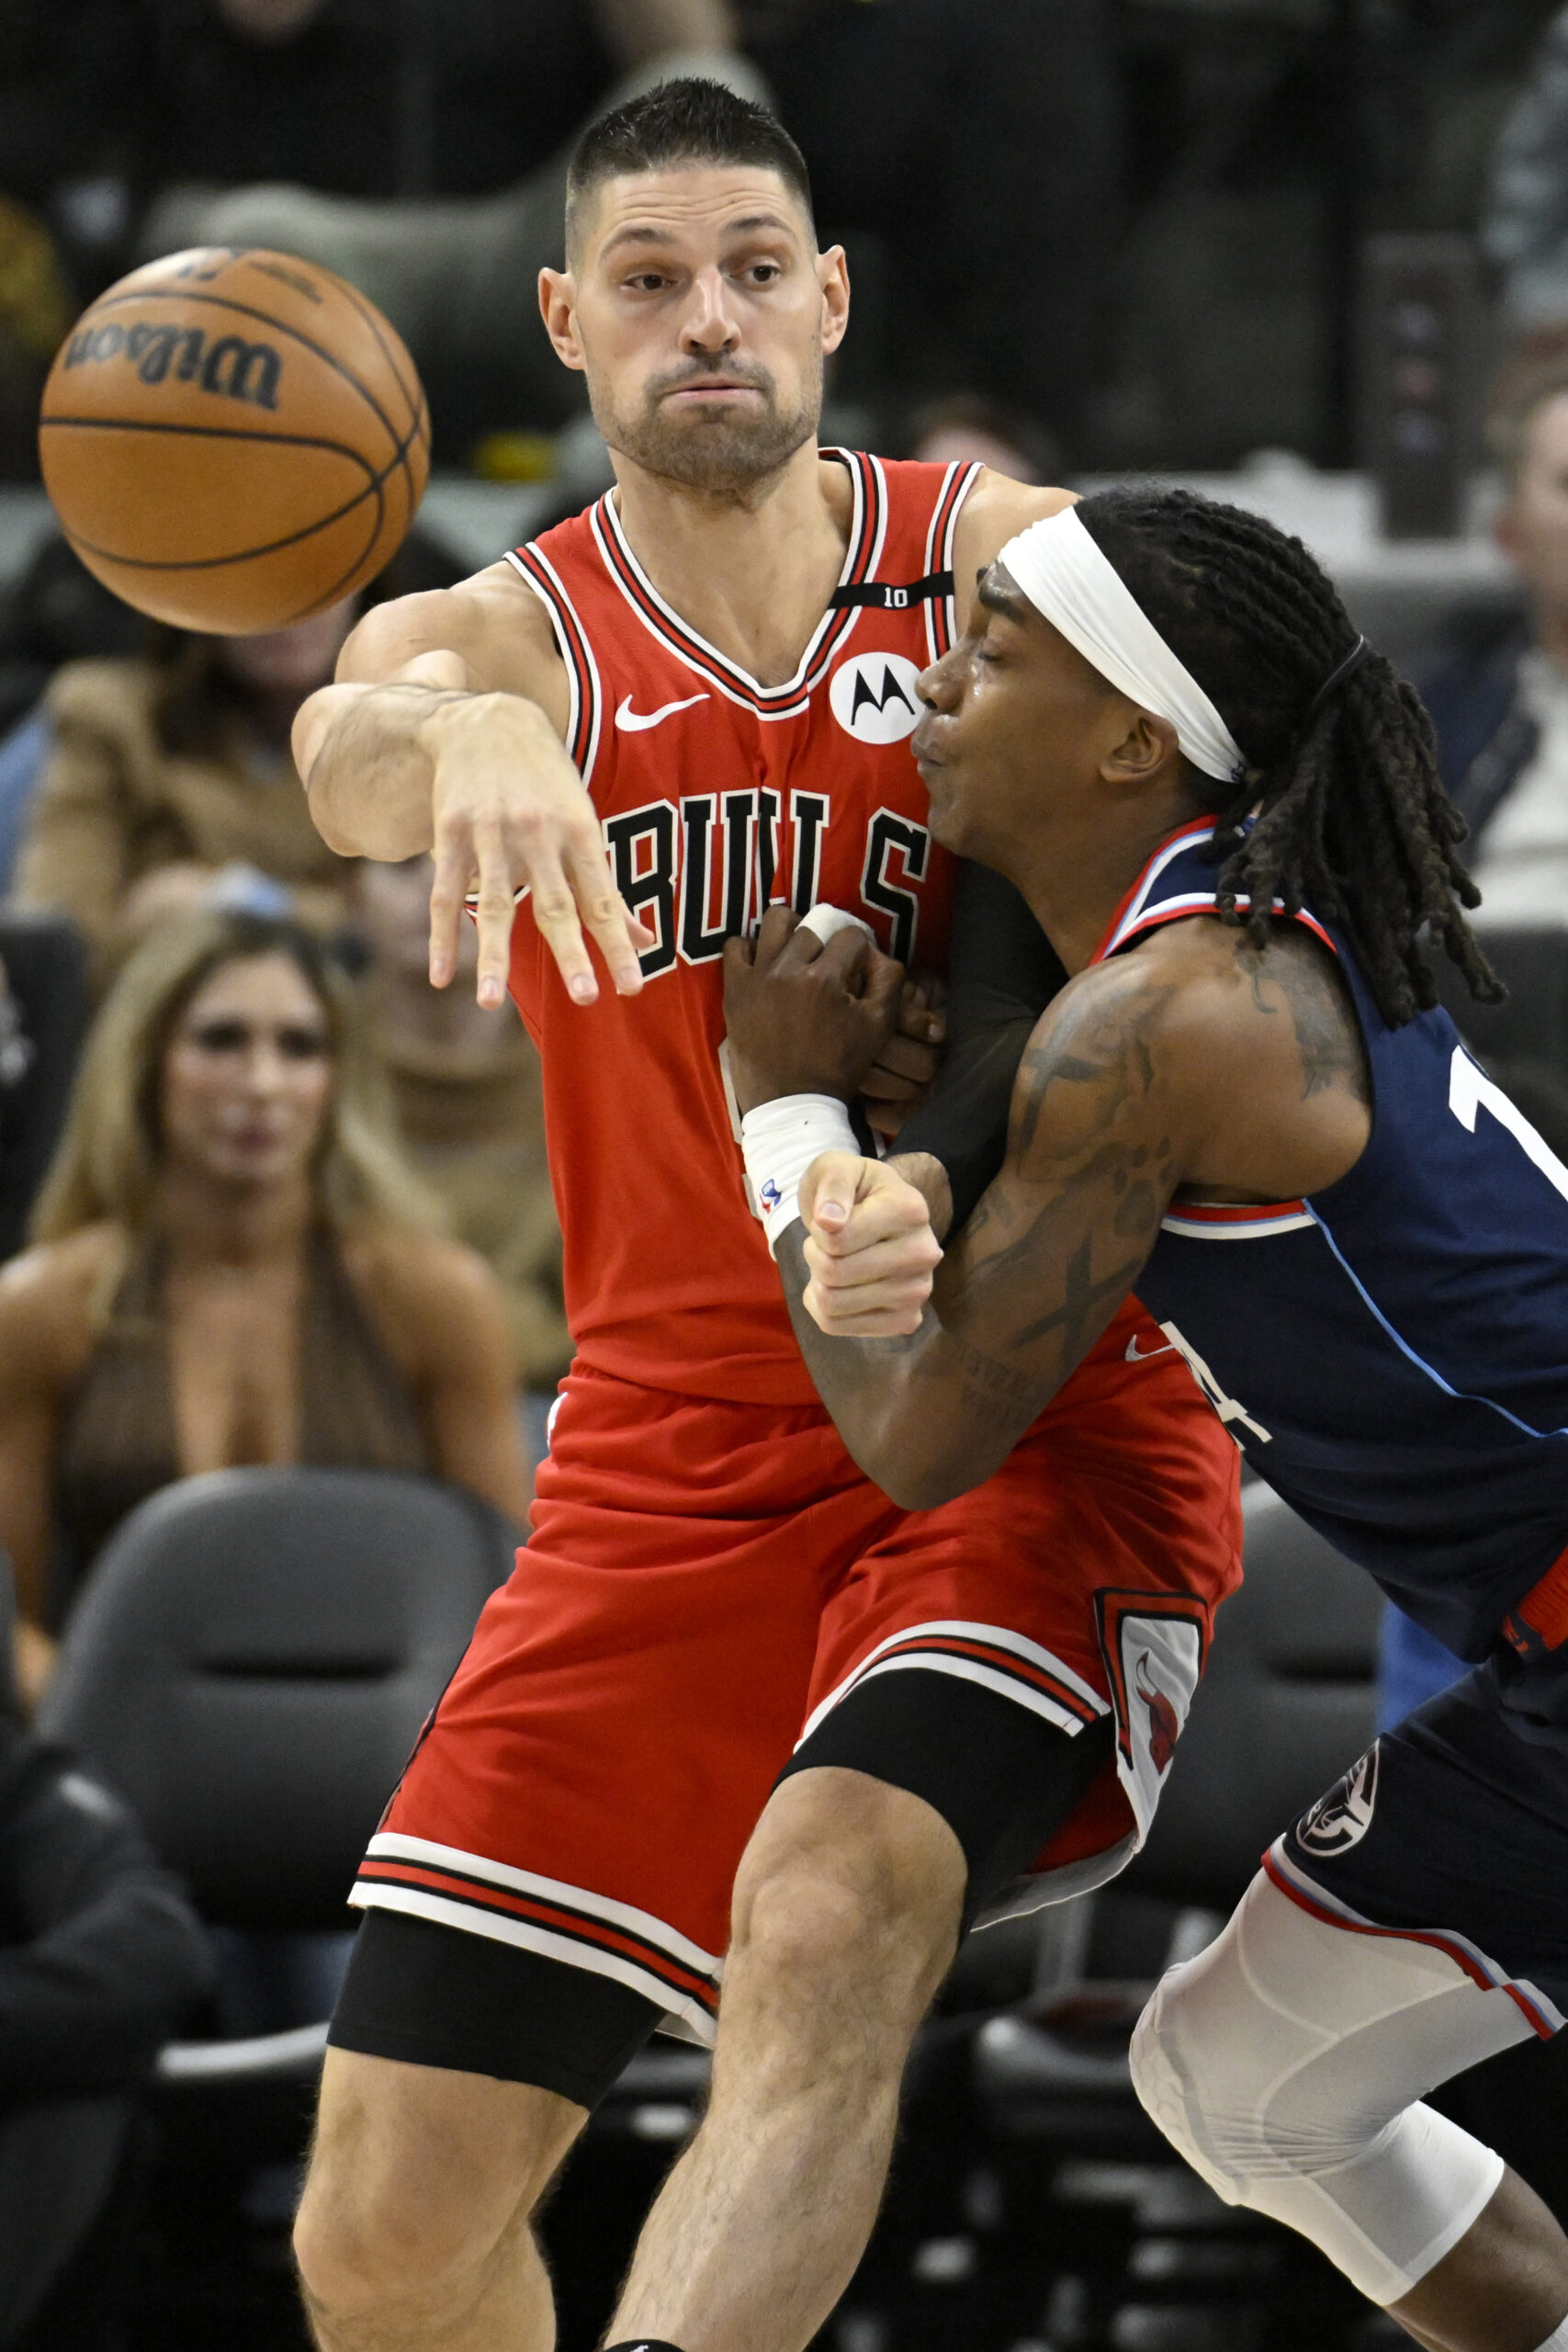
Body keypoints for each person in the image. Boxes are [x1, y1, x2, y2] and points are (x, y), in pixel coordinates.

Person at [283, 79, 1242, 2352]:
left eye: (744, 272)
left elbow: (1246, 724)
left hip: (1008, 1412)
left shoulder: (1006, 564)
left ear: (827, 299)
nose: (700, 318)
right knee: (383, 2226)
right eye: (643, 281)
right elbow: (347, 739)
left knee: (823, 1918)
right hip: (658, 1456)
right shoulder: (514, 638)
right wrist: (455, 747)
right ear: (561, 323)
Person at [721, 481, 1568, 2346]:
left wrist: (778, 1104)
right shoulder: (1211, 953)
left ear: (1130, 731)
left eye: (994, 650)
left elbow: (922, 1433)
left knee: (1234, 2076)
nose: (932, 686)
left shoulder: (1172, 1016)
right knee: (1228, 2073)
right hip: (1531, 1649)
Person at [0, 905, 531, 1709]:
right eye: (220, 1040)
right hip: (125, 1753)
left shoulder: (435, 1299)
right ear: (145, 1062)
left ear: (336, 1079)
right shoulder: (42, 1308)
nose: (262, 1083)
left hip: (394, 1755)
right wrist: (93, 1747)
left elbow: (509, 1593)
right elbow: (14, 1619)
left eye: (300, 1046)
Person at [348, 852, 572, 1436]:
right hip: (363, 1405)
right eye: (402, 866)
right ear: (351, 899)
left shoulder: (587, 1064)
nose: (437, 884)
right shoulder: (300, 1059)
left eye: (473, 860)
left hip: (553, 1402)